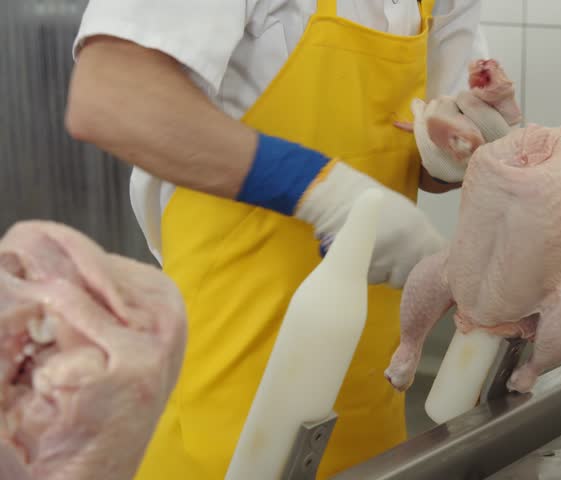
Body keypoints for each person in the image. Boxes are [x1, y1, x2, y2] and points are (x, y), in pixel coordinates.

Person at [64, 0, 487, 478]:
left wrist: (457, 144)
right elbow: (111, 97)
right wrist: (325, 192)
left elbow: (429, 141)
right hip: (227, 388)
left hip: (370, 390)